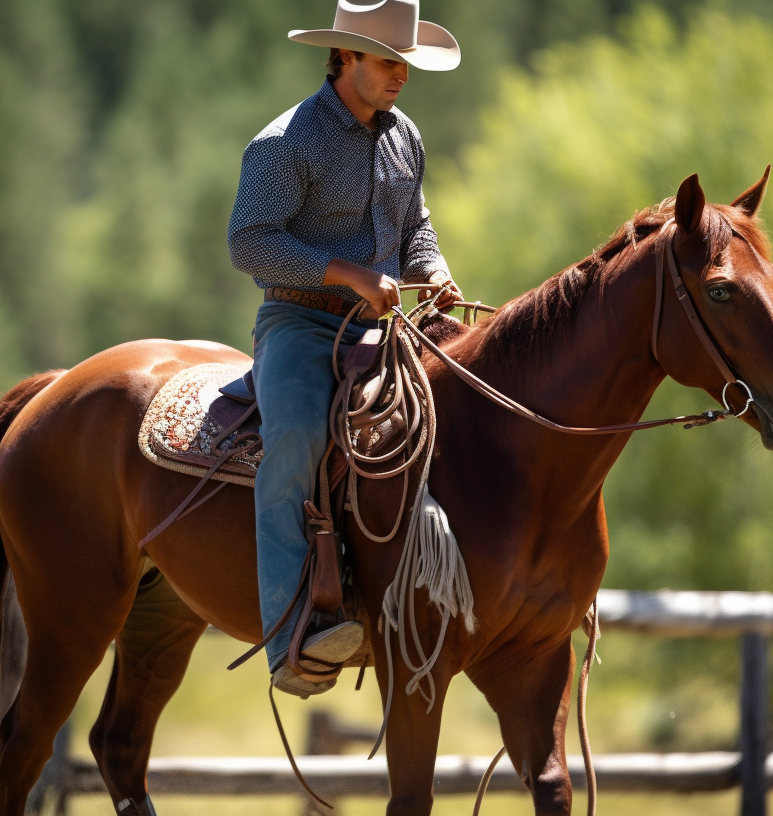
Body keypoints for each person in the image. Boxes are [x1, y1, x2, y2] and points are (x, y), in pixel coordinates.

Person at [227, 0, 463, 698]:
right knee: (296, 437)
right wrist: (349, 274)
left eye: (406, 64)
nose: (401, 77)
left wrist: (436, 272)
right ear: (346, 58)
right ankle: (292, 636)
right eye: (389, 62)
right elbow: (250, 242)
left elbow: (415, 223)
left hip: (383, 329)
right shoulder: (286, 142)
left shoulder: (404, 137)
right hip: (301, 326)